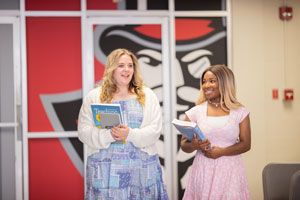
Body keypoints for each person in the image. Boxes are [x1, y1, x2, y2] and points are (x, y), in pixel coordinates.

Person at [78, 48, 169, 200]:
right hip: (104, 171)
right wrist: (109, 135)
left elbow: (155, 130)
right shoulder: (94, 96)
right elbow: (83, 131)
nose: (126, 69)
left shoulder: (147, 95)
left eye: (130, 65)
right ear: (111, 68)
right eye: (121, 65)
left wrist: (129, 134)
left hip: (142, 171)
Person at [181, 64, 251, 200]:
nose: (206, 85)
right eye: (204, 81)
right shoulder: (195, 112)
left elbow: (246, 144)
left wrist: (221, 152)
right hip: (203, 170)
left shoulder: (240, 112)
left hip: (231, 171)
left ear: (224, 83)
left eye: (212, 81)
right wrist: (195, 145)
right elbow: (184, 145)